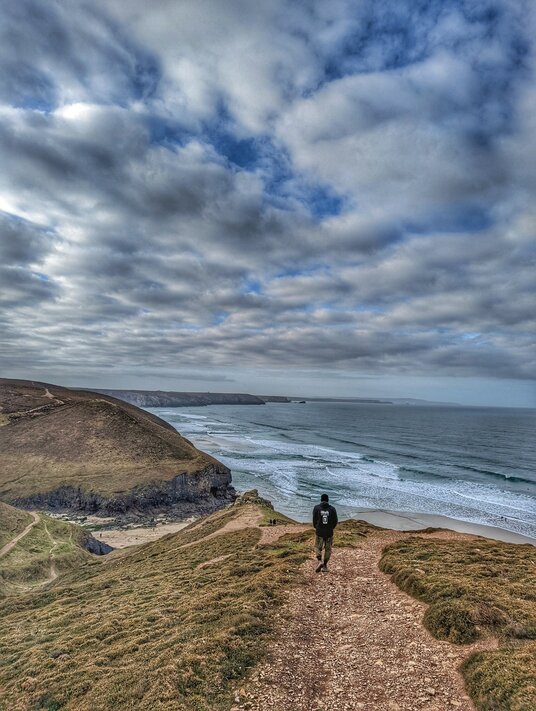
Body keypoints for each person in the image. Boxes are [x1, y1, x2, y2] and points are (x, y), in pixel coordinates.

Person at [312, 494, 338, 573]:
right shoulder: (332, 509)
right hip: (329, 532)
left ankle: (320, 561)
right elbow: (335, 521)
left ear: (321, 500)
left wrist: (316, 527)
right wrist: (331, 528)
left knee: (317, 547)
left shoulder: (316, 508)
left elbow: (314, 520)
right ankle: (325, 566)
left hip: (319, 531)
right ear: (328, 500)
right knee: (328, 549)